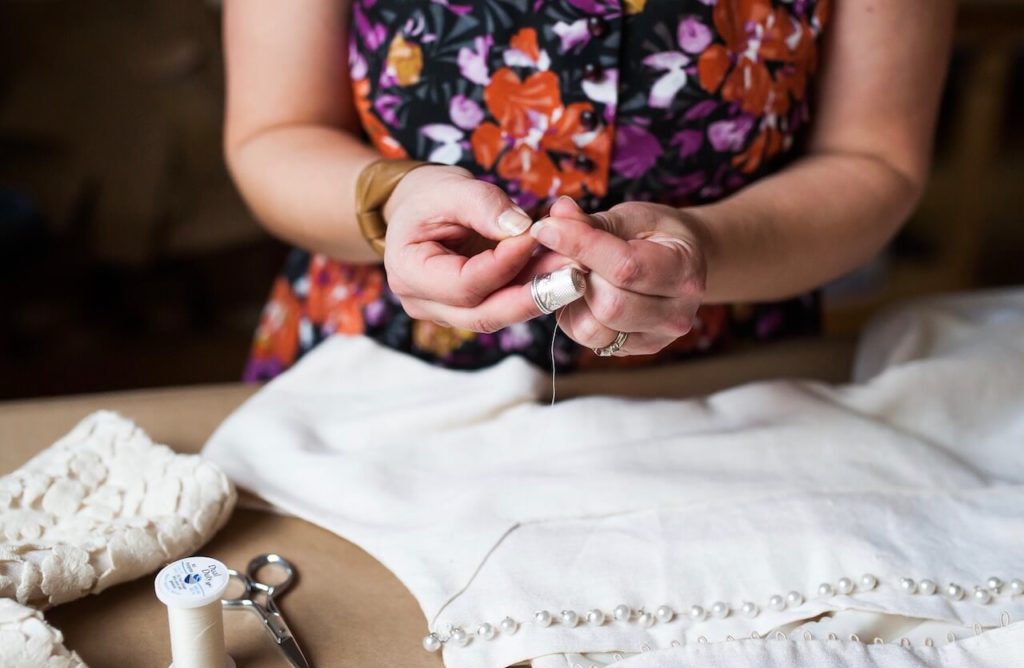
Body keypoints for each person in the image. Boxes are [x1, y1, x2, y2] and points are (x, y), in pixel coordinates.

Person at [224, 0, 954, 380]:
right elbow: (274, 133)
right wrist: (395, 197)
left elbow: (874, 156)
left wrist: (706, 247)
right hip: (379, 370)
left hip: (726, 380)